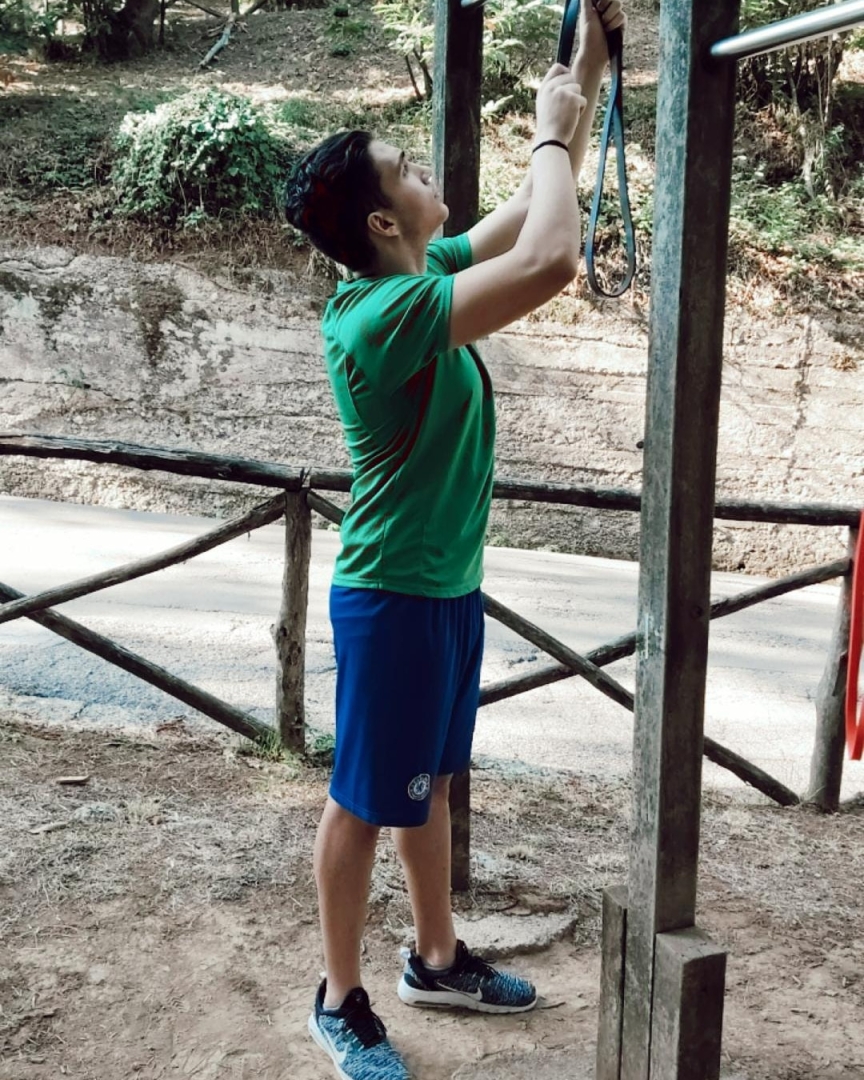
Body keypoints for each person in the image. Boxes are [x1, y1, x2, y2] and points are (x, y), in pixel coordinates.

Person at [284, 2, 625, 1077]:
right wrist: (553, 133)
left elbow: (532, 208)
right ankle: (339, 998)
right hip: (391, 595)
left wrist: (586, 63)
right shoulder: (379, 317)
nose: (429, 176)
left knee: (426, 782)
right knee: (362, 800)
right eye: (409, 171)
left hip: (441, 587)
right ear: (383, 223)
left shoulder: (414, 276)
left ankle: (434, 960)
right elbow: (553, 257)